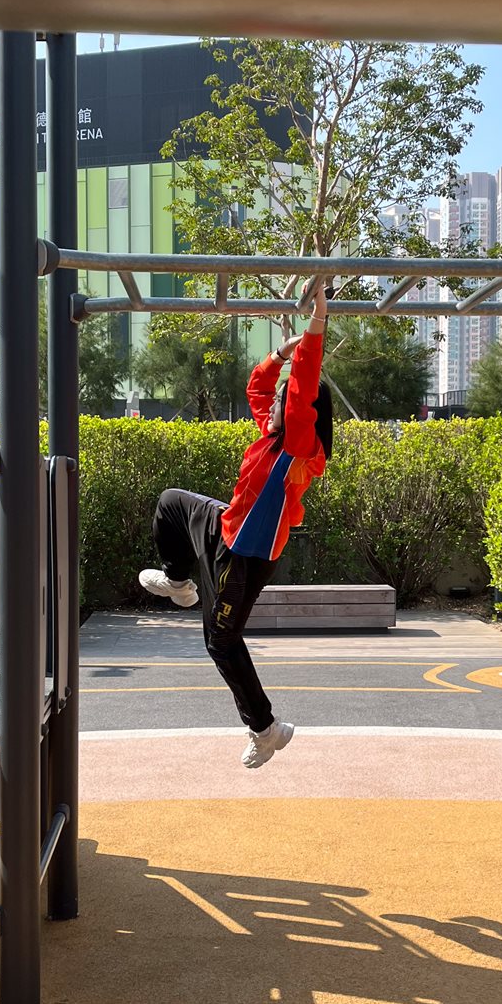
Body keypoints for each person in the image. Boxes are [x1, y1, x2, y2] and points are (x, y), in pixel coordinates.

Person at [139, 283, 332, 767]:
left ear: (299, 415)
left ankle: (265, 728)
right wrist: (280, 353)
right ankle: (179, 583)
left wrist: (317, 323)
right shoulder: (273, 433)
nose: (271, 408)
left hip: (243, 556)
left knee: (221, 642)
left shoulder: (299, 448)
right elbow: (257, 389)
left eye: (282, 404)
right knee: (171, 503)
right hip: (225, 524)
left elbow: (303, 385)